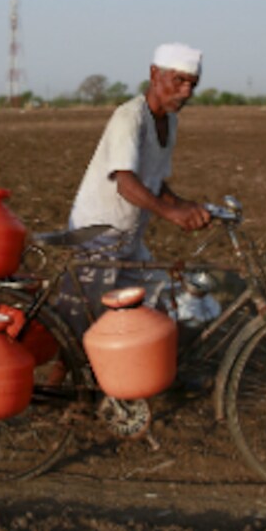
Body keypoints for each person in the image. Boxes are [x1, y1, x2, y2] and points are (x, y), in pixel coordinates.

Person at [59, 42, 213, 333]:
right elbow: (126, 183)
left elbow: (154, 182)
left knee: (158, 303)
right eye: (178, 81)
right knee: (82, 323)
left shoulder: (170, 121)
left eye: (192, 85)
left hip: (128, 239)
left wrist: (185, 205)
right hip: (98, 237)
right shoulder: (130, 117)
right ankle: (61, 377)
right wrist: (171, 213)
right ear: (154, 74)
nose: (186, 92)